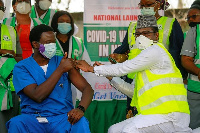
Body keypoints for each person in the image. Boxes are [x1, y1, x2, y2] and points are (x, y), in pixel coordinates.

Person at [76, 15, 191, 133]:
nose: (141, 37)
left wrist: (91, 68)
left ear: (156, 36)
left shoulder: (156, 51)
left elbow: (125, 67)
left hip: (170, 115)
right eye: (137, 34)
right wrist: (110, 76)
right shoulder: (144, 62)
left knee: (130, 130)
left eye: (146, 33)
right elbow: (132, 91)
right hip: (153, 115)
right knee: (113, 130)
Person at [6, 24, 94, 133]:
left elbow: (87, 89)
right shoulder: (22, 67)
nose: (52, 46)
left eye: (53, 42)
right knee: (16, 123)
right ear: (35, 44)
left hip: (62, 118)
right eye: (48, 43)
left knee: (81, 122)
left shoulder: (62, 61)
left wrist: (80, 109)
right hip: (33, 119)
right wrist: (60, 69)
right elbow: (37, 96)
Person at [109, 0, 187, 117]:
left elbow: (178, 53)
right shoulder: (133, 26)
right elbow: (125, 50)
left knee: (156, 117)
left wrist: (183, 77)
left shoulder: (170, 23)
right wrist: (117, 56)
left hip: (159, 81)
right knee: (134, 118)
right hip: (134, 80)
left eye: (149, 4)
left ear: (159, 4)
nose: (145, 8)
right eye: (143, 5)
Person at [51, 11, 91, 106]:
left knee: (70, 108)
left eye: (68, 22)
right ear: (55, 23)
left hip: (73, 82)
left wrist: (78, 65)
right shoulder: (50, 40)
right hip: (52, 81)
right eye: (61, 21)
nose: (65, 24)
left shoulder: (78, 42)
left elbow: (85, 62)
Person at [0, 0, 22, 132]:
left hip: (11, 88)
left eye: (2, 8)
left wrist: (12, 54)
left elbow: (19, 58)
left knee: (10, 127)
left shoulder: (11, 30)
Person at [181, 0, 200, 130]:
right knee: (194, 126)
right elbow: (185, 60)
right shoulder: (192, 32)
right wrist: (198, 72)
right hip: (196, 90)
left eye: (194, 16)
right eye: (188, 18)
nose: (190, 20)